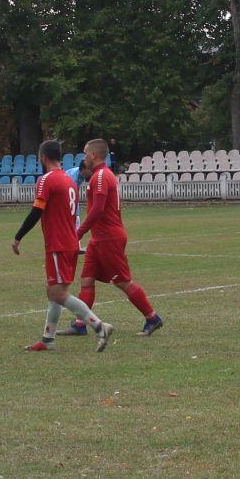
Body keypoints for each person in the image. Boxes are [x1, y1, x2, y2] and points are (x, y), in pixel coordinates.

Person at [11, 139, 112, 351]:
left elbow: (36, 211)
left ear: (43, 157)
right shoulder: (67, 180)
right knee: (53, 291)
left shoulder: (47, 180)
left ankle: (99, 326)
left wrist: (18, 236)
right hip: (69, 242)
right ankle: (48, 339)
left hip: (58, 244)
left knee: (59, 293)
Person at [66, 138, 163, 337]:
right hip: (99, 237)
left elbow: (98, 210)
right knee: (87, 279)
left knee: (122, 281)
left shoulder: (100, 176)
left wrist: (79, 231)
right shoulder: (102, 175)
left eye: (86, 153)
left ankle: (152, 318)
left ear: (93, 155)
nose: (84, 157)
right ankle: (80, 324)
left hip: (108, 237)